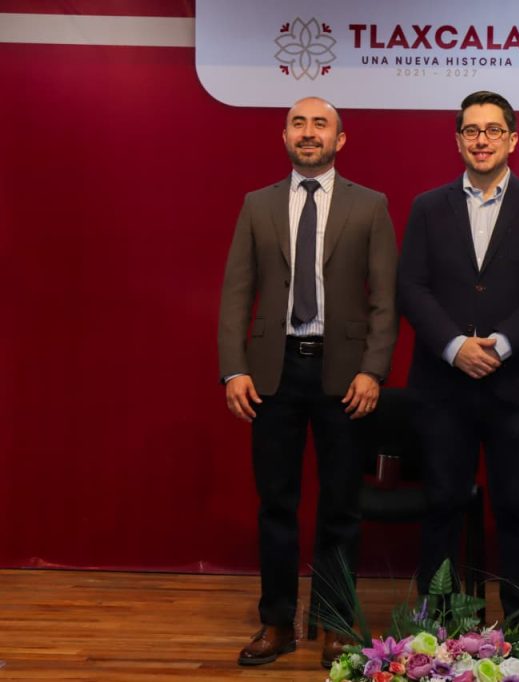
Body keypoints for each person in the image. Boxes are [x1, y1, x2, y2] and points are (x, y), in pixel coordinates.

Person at [218, 97, 398, 668]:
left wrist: (373, 369)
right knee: (276, 504)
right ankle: (277, 622)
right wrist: (234, 368)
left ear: (340, 140)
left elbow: (385, 299)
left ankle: (337, 623)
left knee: (341, 506)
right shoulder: (257, 204)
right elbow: (236, 292)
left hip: (344, 376)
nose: (309, 132)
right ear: (285, 136)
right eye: (299, 123)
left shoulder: (370, 205)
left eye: (321, 124)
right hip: (273, 374)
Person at [398, 91, 519, 625]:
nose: (482, 140)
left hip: (517, 383)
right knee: (442, 504)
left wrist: (502, 342)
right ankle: (437, 628)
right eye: (471, 130)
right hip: (443, 385)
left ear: (512, 140)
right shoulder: (428, 207)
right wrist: (455, 347)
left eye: (493, 130)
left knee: (517, 508)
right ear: (458, 141)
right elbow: (411, 286)